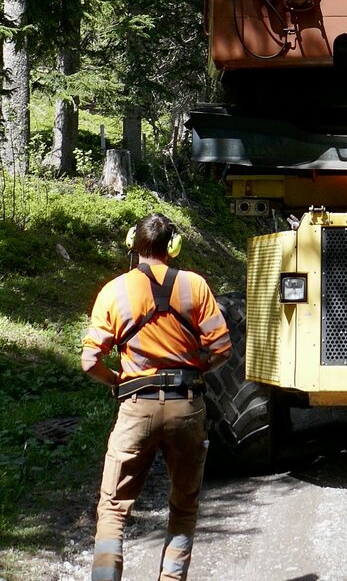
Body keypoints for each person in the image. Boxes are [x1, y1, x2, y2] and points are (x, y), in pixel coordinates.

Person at [81, 212, 232, 581]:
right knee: (183, 507)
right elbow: (223, 349)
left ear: (133, 243)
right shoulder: (195, 286)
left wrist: (118, 380)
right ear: (173, 247)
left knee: (113, 509)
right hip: (187, 407)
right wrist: (197, 370)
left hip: (136, 407)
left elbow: (89, 362)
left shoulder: (114, 291)